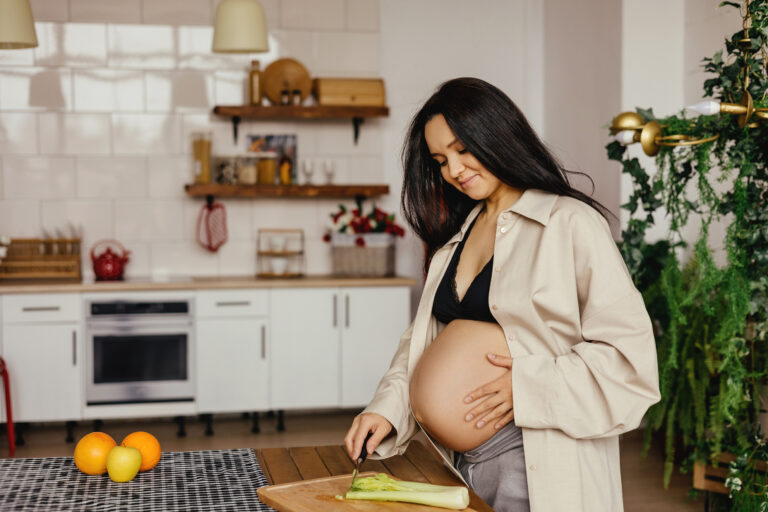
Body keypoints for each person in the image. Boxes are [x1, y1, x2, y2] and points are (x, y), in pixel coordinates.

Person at [343, 77, 660, 512]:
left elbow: (629, 361)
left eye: (462, 149)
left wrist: (526, 387)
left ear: (497, 136)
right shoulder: (459, 232)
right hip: (456, 462)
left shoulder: (569, 223)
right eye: (439, 160)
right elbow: (424, 339)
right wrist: (388, 407)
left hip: (535, 457)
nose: (453, 170)